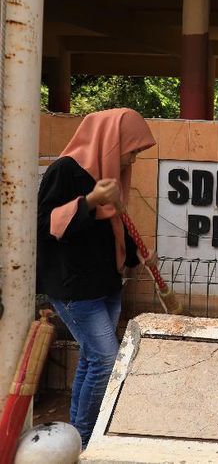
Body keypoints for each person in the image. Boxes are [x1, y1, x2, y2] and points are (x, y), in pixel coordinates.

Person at [37, 108, 157, 447]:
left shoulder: (111, 174)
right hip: (74, 288)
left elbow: (115, 225)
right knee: (105, 359)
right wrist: (90, 200)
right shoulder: (65, 170)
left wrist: (137, 255)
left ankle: (76, 436)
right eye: (131, 149)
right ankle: (87, 439)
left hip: (105, 284)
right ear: (111, 141)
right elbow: (44, 225)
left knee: (92, 358)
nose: (132, 159)